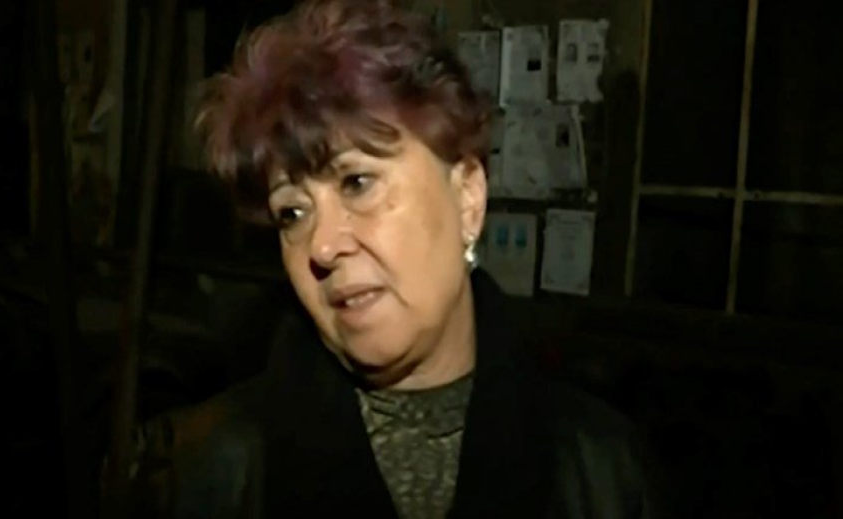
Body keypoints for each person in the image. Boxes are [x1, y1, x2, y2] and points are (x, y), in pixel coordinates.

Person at [127, 1, 663, 517]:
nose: (322, 245)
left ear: (468, 197)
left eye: (358, 183)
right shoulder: (199, 472)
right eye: (292, 212)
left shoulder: (603, 470)